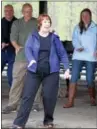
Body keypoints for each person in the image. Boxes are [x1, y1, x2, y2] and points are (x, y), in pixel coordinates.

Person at [12, 14, 70, 129]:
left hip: (51, 72)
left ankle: (48, 121)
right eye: (45, 21)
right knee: (27, 97)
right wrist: (32, 60)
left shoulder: (54, 38)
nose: (47, 23)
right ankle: (19, 123)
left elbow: (62, 53)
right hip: (34, 72)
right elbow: (28, 49)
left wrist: (67, 68)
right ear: (40, 24)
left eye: (48, 21)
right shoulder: (33, 36)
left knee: (49, 97)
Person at [2, 3, 41, 114]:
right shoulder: (17, 23)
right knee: (17, 81)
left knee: (35, 81)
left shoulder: (36, 22)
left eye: (30, 11)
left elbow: (42, 36)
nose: (28, 13)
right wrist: (16, 46)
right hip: (20, 57)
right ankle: (12, 104)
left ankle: (36, 104)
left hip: (34, 57)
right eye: (26, 11)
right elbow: (13, 37)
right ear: (22, 12)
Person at [63, 8, 97, 108]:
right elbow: (74, 39)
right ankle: (70, 101)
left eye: (87, 15)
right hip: (78, 56)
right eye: (83, 16)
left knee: (90, 79)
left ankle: (92, 98)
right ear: (81, 17)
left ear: (90, 16)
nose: (85, 17)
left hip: (91, 57)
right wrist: (78, 47)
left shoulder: (95, 27)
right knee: (73, 77)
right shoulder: (77, 28)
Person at [1, 4, 17, 87]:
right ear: (4, 12)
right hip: (2, 52)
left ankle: (13, 94)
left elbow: (19, 38)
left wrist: (8, 44)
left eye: (10, 10)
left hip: (13, 52)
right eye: (6, 11)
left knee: (11, 75)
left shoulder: (17, 23)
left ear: (13, 11)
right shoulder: (1, 22)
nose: (8, 12)